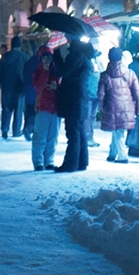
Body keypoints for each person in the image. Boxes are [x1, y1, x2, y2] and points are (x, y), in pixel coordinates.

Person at [53, 36, 97, 173]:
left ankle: (70, 164)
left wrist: (57, 55)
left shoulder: (76, 56)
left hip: (73, 98)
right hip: (80, 98)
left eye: (69, 40)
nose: (67, 42)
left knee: (73, 133)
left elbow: (64, 71)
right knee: (79, 131)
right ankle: (81, 162)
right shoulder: (84, 56)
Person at [98, 49, 139, 162]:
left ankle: (122, 156)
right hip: (128, 107)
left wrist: (102, 107)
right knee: (118, 130)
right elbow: (138, 93)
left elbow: (101, 94)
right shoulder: (130, 73)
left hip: (111, 106)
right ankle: (112, 153)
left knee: (118, 130)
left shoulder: (105, 75)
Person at [30, 45, 60, 170]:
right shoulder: (38, 71)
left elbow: (61, 87)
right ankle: (38, 162)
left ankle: (49, 161)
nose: (46, 60)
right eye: (44, 58)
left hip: (55, 108)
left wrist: (56, 88)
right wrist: (45, 71)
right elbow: (38, 86)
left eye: (48, 58)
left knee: (53, 137)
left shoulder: (57, 71)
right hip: (42, 106)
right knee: (40, 136)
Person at [0, 36, 31, 139]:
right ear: (20, 45)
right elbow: (29, 73)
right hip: (20, 88)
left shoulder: (5, 57)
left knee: (6, 109)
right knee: (18, 111)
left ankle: (4, 129)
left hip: (7, 87)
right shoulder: (25, 57)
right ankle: (16, 131)